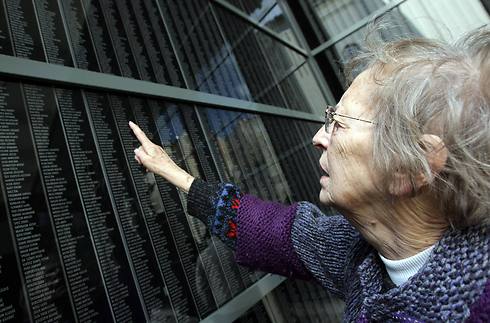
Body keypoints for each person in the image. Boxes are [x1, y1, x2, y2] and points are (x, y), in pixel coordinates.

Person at [129, 26, 489, 322]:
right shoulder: (360, 255)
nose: (318, 138)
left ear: (411, 166)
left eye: (339, 123)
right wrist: (175, 173)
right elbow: (278, 232)